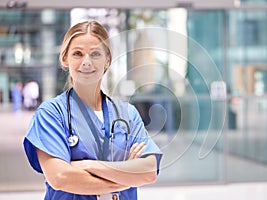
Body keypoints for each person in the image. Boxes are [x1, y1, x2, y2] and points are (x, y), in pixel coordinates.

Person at [23, 21, 162, 200]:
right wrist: (127, 176)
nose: (86, 62)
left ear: (107, 60)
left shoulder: (127, 114)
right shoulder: (51, 114)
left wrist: (89, 166)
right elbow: (60, 177)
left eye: (95, 54)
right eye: (78, 54)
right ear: (65, 59)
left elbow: (149, 171)